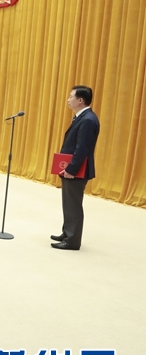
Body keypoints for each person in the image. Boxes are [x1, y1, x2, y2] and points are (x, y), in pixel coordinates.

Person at [52, 85, 100, 251]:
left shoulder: (88, 120)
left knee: (73, 204)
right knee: (69, 202)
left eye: (71, 97)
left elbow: (82, 149)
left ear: (80, 100)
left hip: (77, 170)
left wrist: (71, 170)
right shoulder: (82, 117)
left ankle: (72, 240)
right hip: (72, 168)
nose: (68, 100)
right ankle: (67, 233)